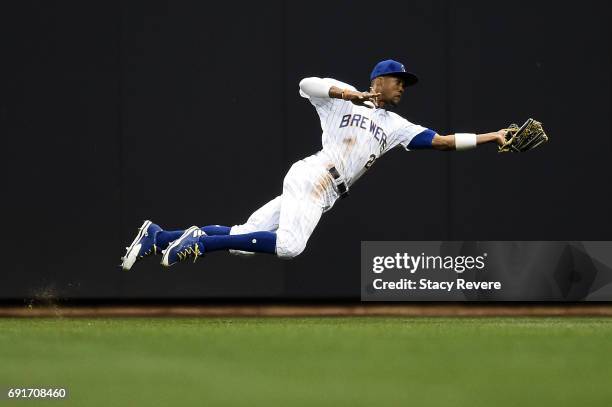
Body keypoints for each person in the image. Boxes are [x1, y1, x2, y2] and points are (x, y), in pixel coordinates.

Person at [120, 59, 508, 270]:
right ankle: (202, 245)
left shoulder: (397, 126)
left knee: (244, 235)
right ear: (380, 79)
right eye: (398, 79)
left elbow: (441, 141)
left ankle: (160, 235)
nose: (403, 86)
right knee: (289, 247)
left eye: (405, 81)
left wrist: (493, 137)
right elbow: (306, 84)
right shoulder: (342, 98)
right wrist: (347, 93)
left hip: (326, 193)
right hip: (314, 176)